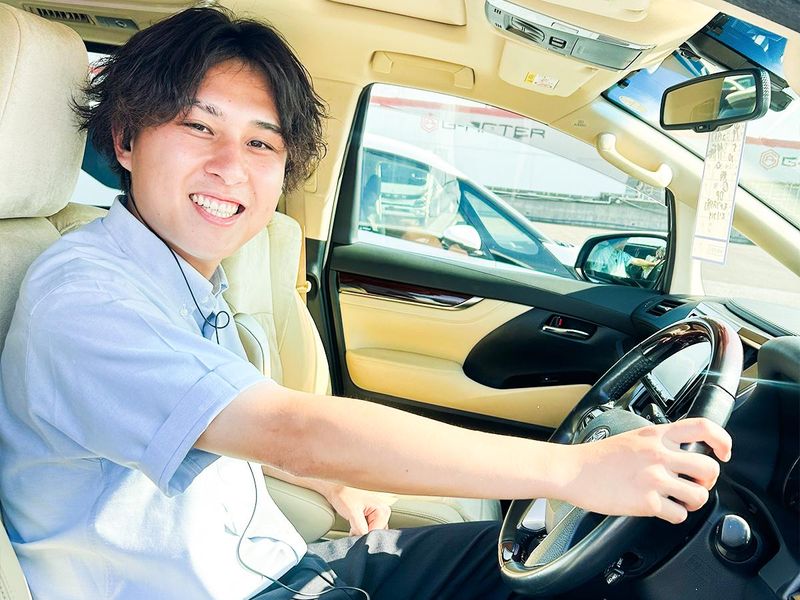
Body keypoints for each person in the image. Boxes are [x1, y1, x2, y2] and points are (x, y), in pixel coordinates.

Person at [0, 7, 732, 600]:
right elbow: (286, 427)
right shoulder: (86, 296)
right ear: (126, 139)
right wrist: (571, 471)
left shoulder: (177, 278)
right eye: (199, 127)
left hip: (282, 564)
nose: (230, 166)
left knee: (538, 566)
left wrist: (321, 477)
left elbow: (212, 422)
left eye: (262, 144)